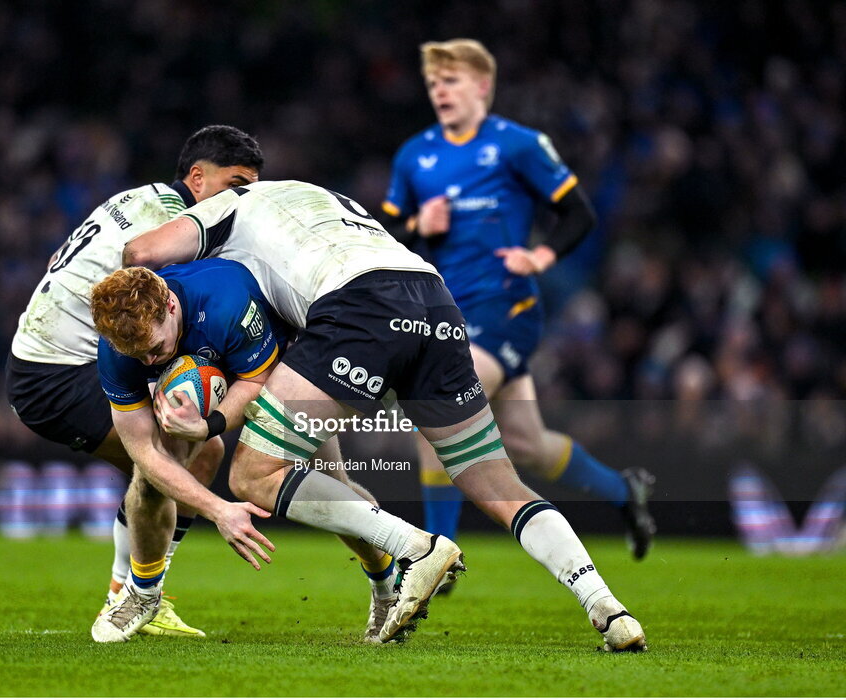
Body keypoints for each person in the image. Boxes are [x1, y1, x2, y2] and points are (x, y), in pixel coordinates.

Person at [119, 179, 647, 651]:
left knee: (253, 475)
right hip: (432, 297)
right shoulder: (318, 194)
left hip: (357, 308)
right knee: (496, 481)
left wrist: (129, 305)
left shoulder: (224, 207)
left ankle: (416, 548)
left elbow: (139, 251)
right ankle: (608, 608)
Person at [381, 39, 655, 561]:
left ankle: (438, 554)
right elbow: (385, 229)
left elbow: (578, 212)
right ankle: (624, 491)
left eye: (452, 80)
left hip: (505, 308)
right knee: (528, 443)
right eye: (434, 82)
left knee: (435, 406)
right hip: (447, 313)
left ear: (482, 86)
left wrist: (543, 256)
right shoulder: (415, 155)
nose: (441, 89)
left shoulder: (518, 144)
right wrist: (418, 224)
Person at [6, 125, 264, 637]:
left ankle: (140, 591)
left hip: (54, 360)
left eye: (250, 188)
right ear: (197, 177)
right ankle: (131, 597)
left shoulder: (140, 200)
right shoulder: (172, 226)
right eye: (235, 185)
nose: (242, 200)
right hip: (60, 374)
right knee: (164, 464)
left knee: (202, 445)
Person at [89, 261, 397, 643]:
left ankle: (388, 587)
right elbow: (145, 452)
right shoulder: (120, 349)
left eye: (154, 349)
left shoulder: (225, 303)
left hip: (282, 371)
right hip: (208, 387)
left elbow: (257, 381)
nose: (149, 362)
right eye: (138, 357)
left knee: (333, 489)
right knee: (150, 481)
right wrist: (219, 510)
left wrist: (209, 425)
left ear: (169, 306)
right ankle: (145, 593)